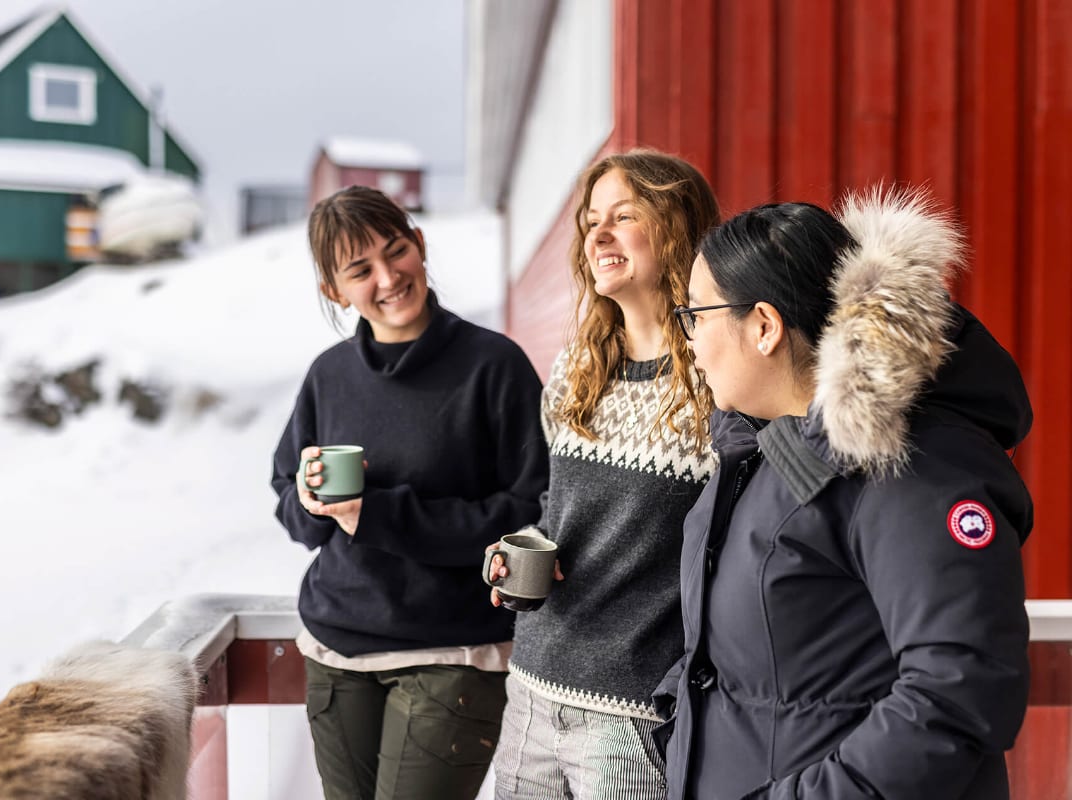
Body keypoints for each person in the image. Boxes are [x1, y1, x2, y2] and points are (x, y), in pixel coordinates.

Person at [656, 189, 1032, 799]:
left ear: (764, 327)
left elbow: (958, 688)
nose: (690, 341)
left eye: (695, 314)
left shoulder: (911, 466)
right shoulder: (764, 455)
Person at [270, 185, 549, 800]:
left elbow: (532, 511)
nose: (388, 277)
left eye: (397, 251)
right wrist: (312, 502)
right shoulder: (329, 375)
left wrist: (380, 515)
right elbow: (292, 506)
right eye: (360, 270)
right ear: (333, 291)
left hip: (454, 652)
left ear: (419, 245)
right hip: (337, 649)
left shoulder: (492, 366)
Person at [486, 149, 720, 799]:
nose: (598, 234)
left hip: (632, 716)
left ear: (674, 227)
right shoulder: (576, 372)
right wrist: (517, 558)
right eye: (591, 220)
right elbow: (559, 519)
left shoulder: (717, 387)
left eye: (624, 216)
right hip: (531, 688)